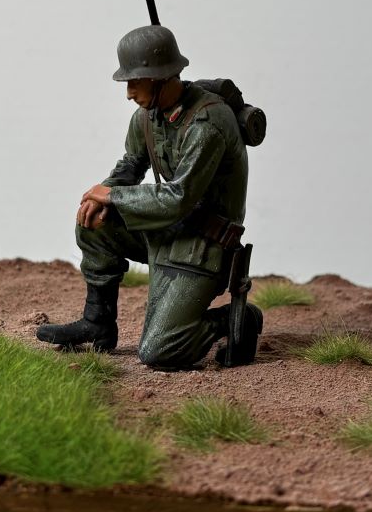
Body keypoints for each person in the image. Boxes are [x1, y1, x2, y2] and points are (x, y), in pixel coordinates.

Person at [36, 24, 263, 369]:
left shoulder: (207, 123)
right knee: (94, 223)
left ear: (160, 78)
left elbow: (178, 197)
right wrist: (101, 197)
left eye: (135, 82)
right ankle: (97, 323)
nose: (129, 93)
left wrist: (114, 196)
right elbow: (132, 163)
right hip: (166, 229)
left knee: (160, 351)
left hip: (203, 247)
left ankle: (237, 318)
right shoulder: (147, 117)